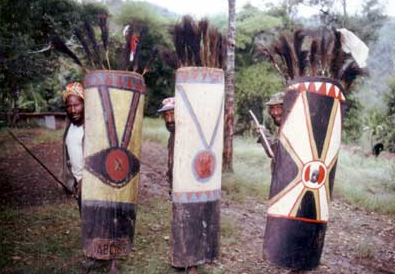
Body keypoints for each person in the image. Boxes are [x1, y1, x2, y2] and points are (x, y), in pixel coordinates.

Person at [60, 82, 84, 211]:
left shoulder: (91, 128)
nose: (73, 110)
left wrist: (84, 181)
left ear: (85, 104)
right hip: (78, 185)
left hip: (92, 187)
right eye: (69, 106)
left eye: (76, 105)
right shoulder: (70, 126)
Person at [256, 92, 285, 169]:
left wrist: (264, 134)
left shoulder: (291, 128)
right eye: (272, 108)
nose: (275, 112)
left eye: (279, 108)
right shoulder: (283, 127)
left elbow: (273, 152)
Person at [158, 97, 175, 197]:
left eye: (172, 114)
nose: (169, 120)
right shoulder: (173, 135)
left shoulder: (185, 137)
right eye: (166, 115)